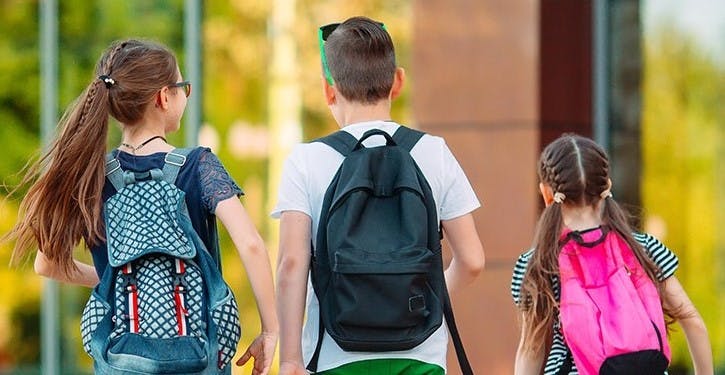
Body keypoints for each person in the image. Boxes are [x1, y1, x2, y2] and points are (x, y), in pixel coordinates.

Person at [3, 39, 277, 374]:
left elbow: (47, 265)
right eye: (182, 88)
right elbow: (250, 244)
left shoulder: (92, 176)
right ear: (164, 96)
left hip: (122, 360)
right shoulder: (199, 165)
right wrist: (270, 331)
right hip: (198, 358)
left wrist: (108, 275)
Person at [272, 16, 485, 375]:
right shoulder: (434, 151)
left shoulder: (306, 160)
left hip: (333, 356)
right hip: (421, 356)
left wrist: (291, 360)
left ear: (329, 89)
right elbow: (473, 260)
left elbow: (291, 265)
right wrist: (423, 292)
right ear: (397, 81)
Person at [510, 134, 713, 375]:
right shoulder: (644, 248)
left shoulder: (538, 263)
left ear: (546, 193)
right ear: (607, 186)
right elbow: (693, 321)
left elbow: (531, 350)